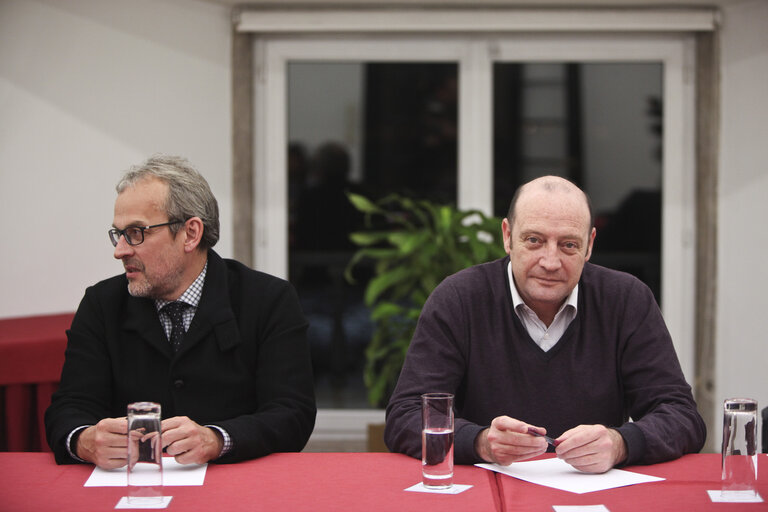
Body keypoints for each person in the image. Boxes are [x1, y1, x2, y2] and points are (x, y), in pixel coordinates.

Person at [384, 175, 705, 473]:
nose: (550, 263)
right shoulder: (459, 299)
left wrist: (622, 443)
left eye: (568, 245)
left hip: (590, 495)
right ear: (508, 237)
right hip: (485, 491)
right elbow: (406, 416)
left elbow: (681, 416)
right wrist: (480, 441)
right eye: (534, 240)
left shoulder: (626, 301)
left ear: (590, 245)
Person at [45, 155, 316, 467]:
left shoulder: (268, 300)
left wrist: (218, 439)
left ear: (190, 234)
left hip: (234, 485)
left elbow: (292, 413)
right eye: (118, 233)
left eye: (136, 232)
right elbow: (69, 407)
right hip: (132, 487)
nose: (119, 250)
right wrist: (83, 440)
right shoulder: (102, 304)